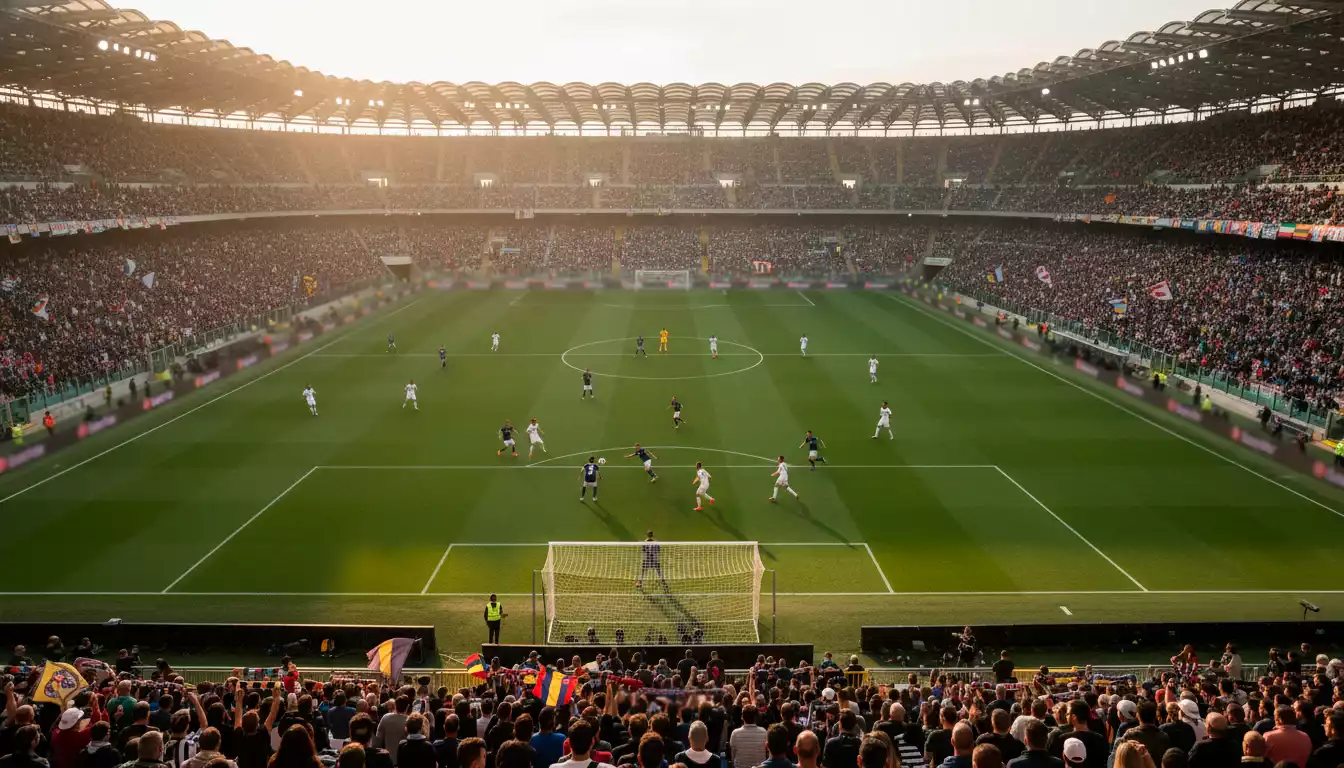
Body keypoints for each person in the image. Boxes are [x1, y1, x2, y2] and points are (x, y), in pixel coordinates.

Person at [373, 697, 411, 764]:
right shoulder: (409, 721)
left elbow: (378, 741)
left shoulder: (385, 718)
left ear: (395, 705)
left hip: (387, 761)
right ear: (407, 706)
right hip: (404, 762)